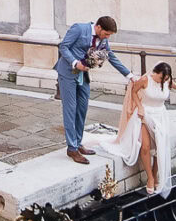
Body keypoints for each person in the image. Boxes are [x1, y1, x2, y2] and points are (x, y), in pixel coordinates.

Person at [92, 62, 176, 195]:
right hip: (144, 114)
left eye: (165, 79)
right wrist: (140, 107)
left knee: (161, 147)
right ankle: (150, 178)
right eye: (161, 78)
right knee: (145, 146)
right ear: (156, 73)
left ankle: (156, 173)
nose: (163, 81)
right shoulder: (145, 79)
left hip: (160, 116)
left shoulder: (167, 80)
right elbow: (133, 91)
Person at [55, 15, 131, 163]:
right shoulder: (79, 28)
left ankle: (78, 142)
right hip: (68, 73)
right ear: (98, 27)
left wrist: (129, 75)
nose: (107, 37)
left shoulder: (103, 39)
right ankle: (72, 149)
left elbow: (111, 56)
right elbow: (63, 46)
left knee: (82, 109)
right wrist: (75, 62)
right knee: (70, 110)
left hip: (83, 76)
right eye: (106, 34)